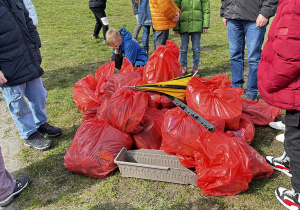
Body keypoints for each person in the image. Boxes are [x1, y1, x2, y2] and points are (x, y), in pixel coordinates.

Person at [0, 0, 62, 151]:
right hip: (7, 65)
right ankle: (28, 134)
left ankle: (40, 123)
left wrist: (35, 45)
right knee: (18, 103)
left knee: (39, 94)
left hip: (27, 57)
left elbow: (27, 20)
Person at [257, 0, 300, 208]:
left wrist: (269, 81)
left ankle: (298, 194)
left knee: (296, 137)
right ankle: (289, 160)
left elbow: (290, 57)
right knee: (293, 129)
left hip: (297, 88)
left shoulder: (294, 5)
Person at [220, 0, 277, 101]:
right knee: (234, 55)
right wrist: (225, 11)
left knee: (253, 58)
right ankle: (236, 86)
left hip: (254, 16)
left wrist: (265, 13)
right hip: (232, 16)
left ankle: (252, 90)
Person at [173, 0, 210, 76]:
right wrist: (176, 26)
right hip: (184, 24)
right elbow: (175, 7)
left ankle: (195, 67)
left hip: (196, 24)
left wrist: (205, 24)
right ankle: (183, 67)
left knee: (196, 48)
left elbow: (206, 7)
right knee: (183, 48)